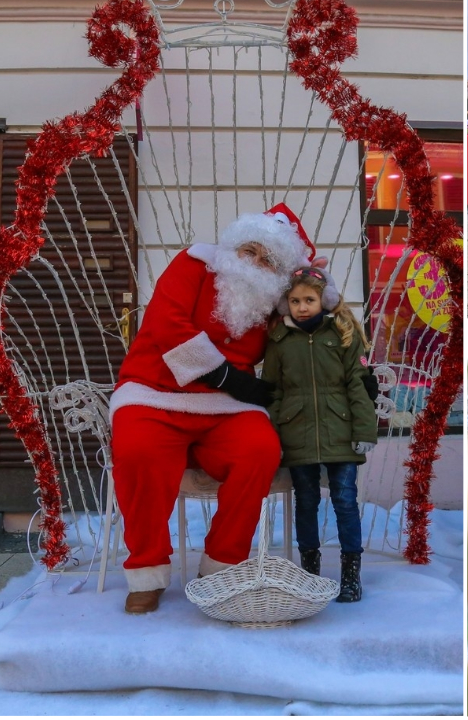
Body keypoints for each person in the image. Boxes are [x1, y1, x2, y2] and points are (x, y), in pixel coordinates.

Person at [110, 206, 315, 614]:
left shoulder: (273, 299)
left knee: (260, 451)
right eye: (249, 250)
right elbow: (169, 327)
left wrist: (314, 288)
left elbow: (313, 322)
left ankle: (222, 564)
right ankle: (147, 571)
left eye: (268, 259)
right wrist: (228, 378)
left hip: (225, 408)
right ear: (233, 245)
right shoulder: (193, 264)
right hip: (155, 391)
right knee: (138, 452)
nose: (255, 263)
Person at [263, 264, 376, 601]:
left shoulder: (341, 333)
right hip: (297, 432)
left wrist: (364, 428)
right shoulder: (280, 341)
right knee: (307, 501)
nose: (302, 307)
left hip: (339, 428)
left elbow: (358, 385)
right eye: (295, 301)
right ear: (287, 304)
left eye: (309, 299)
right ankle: (309, 571)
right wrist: (274, 430)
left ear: (323, 299)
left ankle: (351, 574)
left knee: (344, 500)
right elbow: (272, 390)